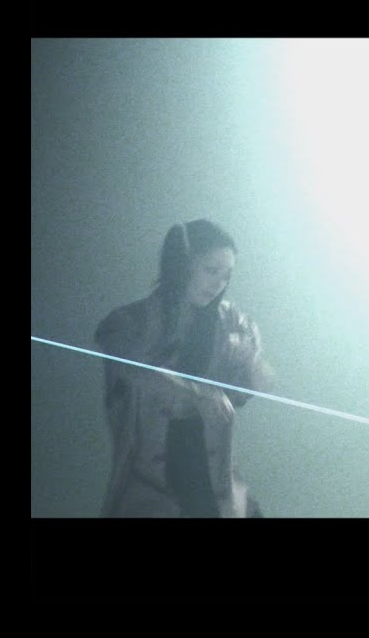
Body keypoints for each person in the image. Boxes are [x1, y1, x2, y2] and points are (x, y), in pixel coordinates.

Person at [94, 220, 272, 517]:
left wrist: (253, 365)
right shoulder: (134, 321)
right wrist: (197, 394)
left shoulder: (231, 322)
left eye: (226, 276)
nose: (218, 284)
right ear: (183, 264)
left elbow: (250, 387)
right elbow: (130, 366)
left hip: (216, 484)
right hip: (152, 487)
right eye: (210, 270)